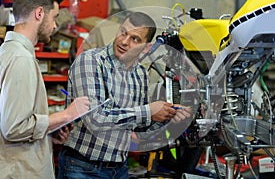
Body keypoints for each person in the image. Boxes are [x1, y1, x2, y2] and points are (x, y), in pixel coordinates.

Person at [58, 11, 191, 179]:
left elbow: (139, 127)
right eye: (123, 32)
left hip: (119, 169)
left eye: (135, 39)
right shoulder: (91, 61)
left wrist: (168, 116)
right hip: (82, 167)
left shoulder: (140, 74)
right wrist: (149, 110)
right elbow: (96, 119)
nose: (124, 41)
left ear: (146, 47)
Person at [0, 0, 90, 178]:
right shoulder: (20, 59)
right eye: (54, 17)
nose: (55, 25)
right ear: (39, 14)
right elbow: (14, 128)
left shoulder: (9, 51)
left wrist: (47, 130)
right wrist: (67, 114)